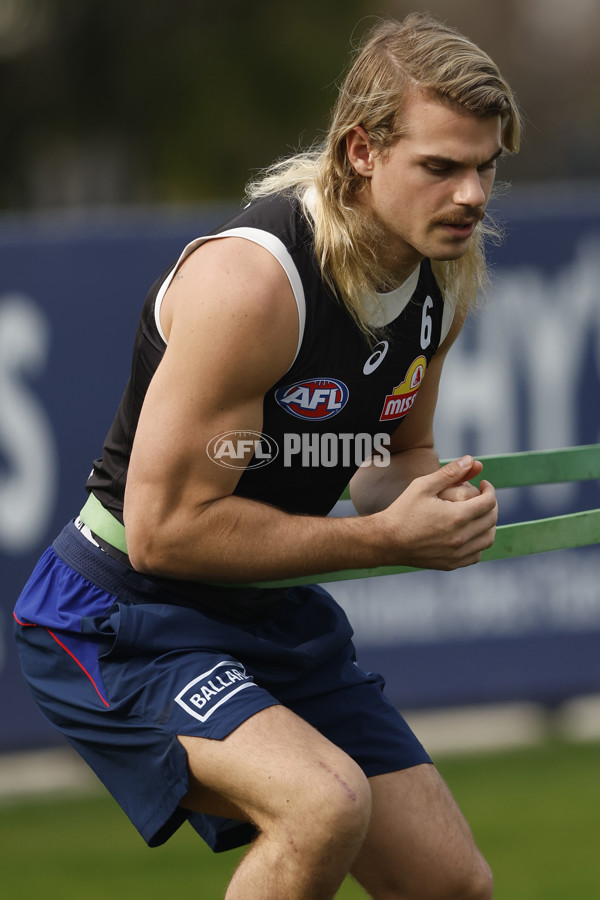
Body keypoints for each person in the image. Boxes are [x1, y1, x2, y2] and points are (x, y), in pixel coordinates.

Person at [14, 12, 521, 900]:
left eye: (485, 166)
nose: (473, 195)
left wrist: (430, 499)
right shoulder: (255, 283)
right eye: (442, 167)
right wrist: (387, 542)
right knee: (323, 806)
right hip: (120, 614)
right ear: (362, 151)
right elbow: (163, 535)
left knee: (452, 884)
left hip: (267, 610)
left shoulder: (443, 273)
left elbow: (387, 460)